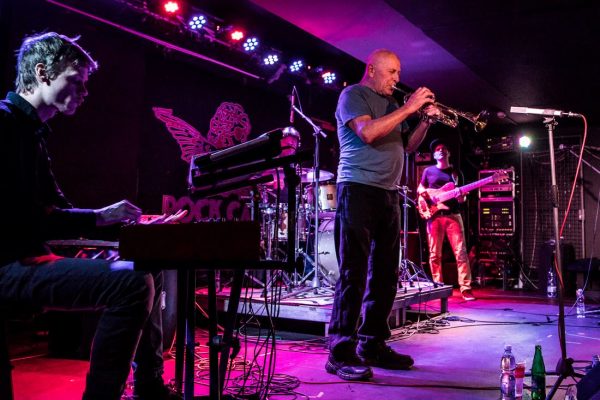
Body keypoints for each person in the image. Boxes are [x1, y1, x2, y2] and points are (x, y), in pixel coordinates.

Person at [0, 32, 177, 399]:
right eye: (76, 81)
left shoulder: (32, 133)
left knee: (149, 265)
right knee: (132, 284)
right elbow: (28, 219)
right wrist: (99, 217)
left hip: (26, 259)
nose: (84, 92)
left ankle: (149, 387)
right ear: (43, 73)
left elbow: (55, 212)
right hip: (7, 265)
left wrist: (130, 228)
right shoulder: (4, 126)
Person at [326, 48, 440, 381]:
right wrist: (409, 108)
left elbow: (408, 146)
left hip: (388, 193)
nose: (397, 79)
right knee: (354, 273)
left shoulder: (392, 104)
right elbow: (367, 133)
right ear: (372, 69)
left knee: (386, 274)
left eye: (399, 72)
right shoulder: (353, 95)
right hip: (357, 189)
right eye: (392, 72)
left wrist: (425, 121)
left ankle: (372, 344)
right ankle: (339, 352)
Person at [417, 138, 476, 301]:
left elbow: (462, 199)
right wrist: (423, 199)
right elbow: (420, 188)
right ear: (434, 155)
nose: (440, 150)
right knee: (434, 254)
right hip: (434, 216)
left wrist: (462, 197)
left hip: (453, 215)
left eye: (443, 148)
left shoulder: (456, 173)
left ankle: (465, 288)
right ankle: (437, 286)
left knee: (461, 252)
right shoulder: (428, 171)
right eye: (437, 149)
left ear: (448, 153)